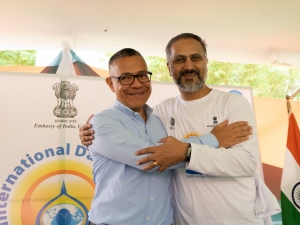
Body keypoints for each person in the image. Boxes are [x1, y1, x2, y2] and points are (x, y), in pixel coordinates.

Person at [81, 34, 280, 225]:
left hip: (239, 219)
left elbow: (246, 162)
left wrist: (185, 152)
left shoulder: (232, 103)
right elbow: (153, 156)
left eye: (195, 58)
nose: (188, 66)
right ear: (169, 67)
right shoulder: (162, 111)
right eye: (179, 60)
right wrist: (210, 141)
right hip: (185, 220)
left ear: (206, 62)